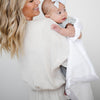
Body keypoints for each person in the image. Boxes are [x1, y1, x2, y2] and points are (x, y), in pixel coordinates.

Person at [0, 0, 96, 100]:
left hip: (33, 95)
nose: (38, 1)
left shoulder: (15, 36)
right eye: (31, 1)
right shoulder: (46, 25)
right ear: (17, 7)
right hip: (58, 95)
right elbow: (73, 67)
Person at [42, 0, 99, 99]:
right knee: (61, 75)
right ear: (48, 17)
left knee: (69, 74)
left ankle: (68, 89)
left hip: (70, 58)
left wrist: (62, 30)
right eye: (59, 12)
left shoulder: (67, 21)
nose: (64, 14)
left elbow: (72, 32)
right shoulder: (47, 26)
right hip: (58, 60)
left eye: (64, 10)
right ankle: (66, 89)